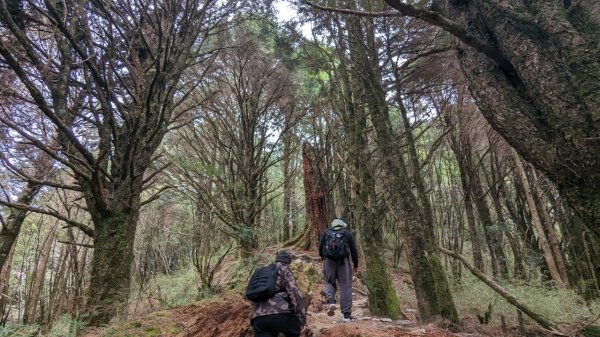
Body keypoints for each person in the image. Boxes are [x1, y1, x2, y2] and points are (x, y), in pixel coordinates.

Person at [251, 250, 306, 337]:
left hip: (258, 319)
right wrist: (302, 319)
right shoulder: (284, 268)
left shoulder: (264, 272)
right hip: (281, 315)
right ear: (288, 261)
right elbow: (295, 294)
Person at [318, 218, 359, 322]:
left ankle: (331, 302)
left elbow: (320, 247)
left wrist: (324, 258)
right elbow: (354, 250)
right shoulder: (347, 234)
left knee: (329, 282)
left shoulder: (326, 232)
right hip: (343, 262)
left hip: (328, 261)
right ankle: (346, 315)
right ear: (342, 225)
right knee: (345, 286)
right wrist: (355, 264)